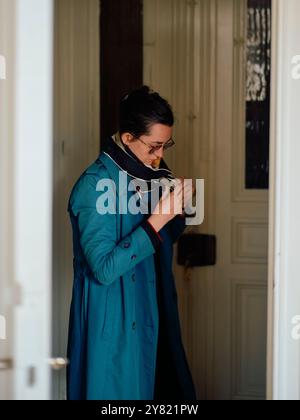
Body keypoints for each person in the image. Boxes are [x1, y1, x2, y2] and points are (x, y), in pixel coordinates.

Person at [66, 85, 196, 400]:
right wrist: (157, 219)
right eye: (154, 146)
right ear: (127, 138)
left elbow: (159, 242)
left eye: (166, 145)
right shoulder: (93, 185)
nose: (160, 155)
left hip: (153, 311)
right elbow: (104, 269)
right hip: (113, 324)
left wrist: (179, 210)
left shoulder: (149, 176)